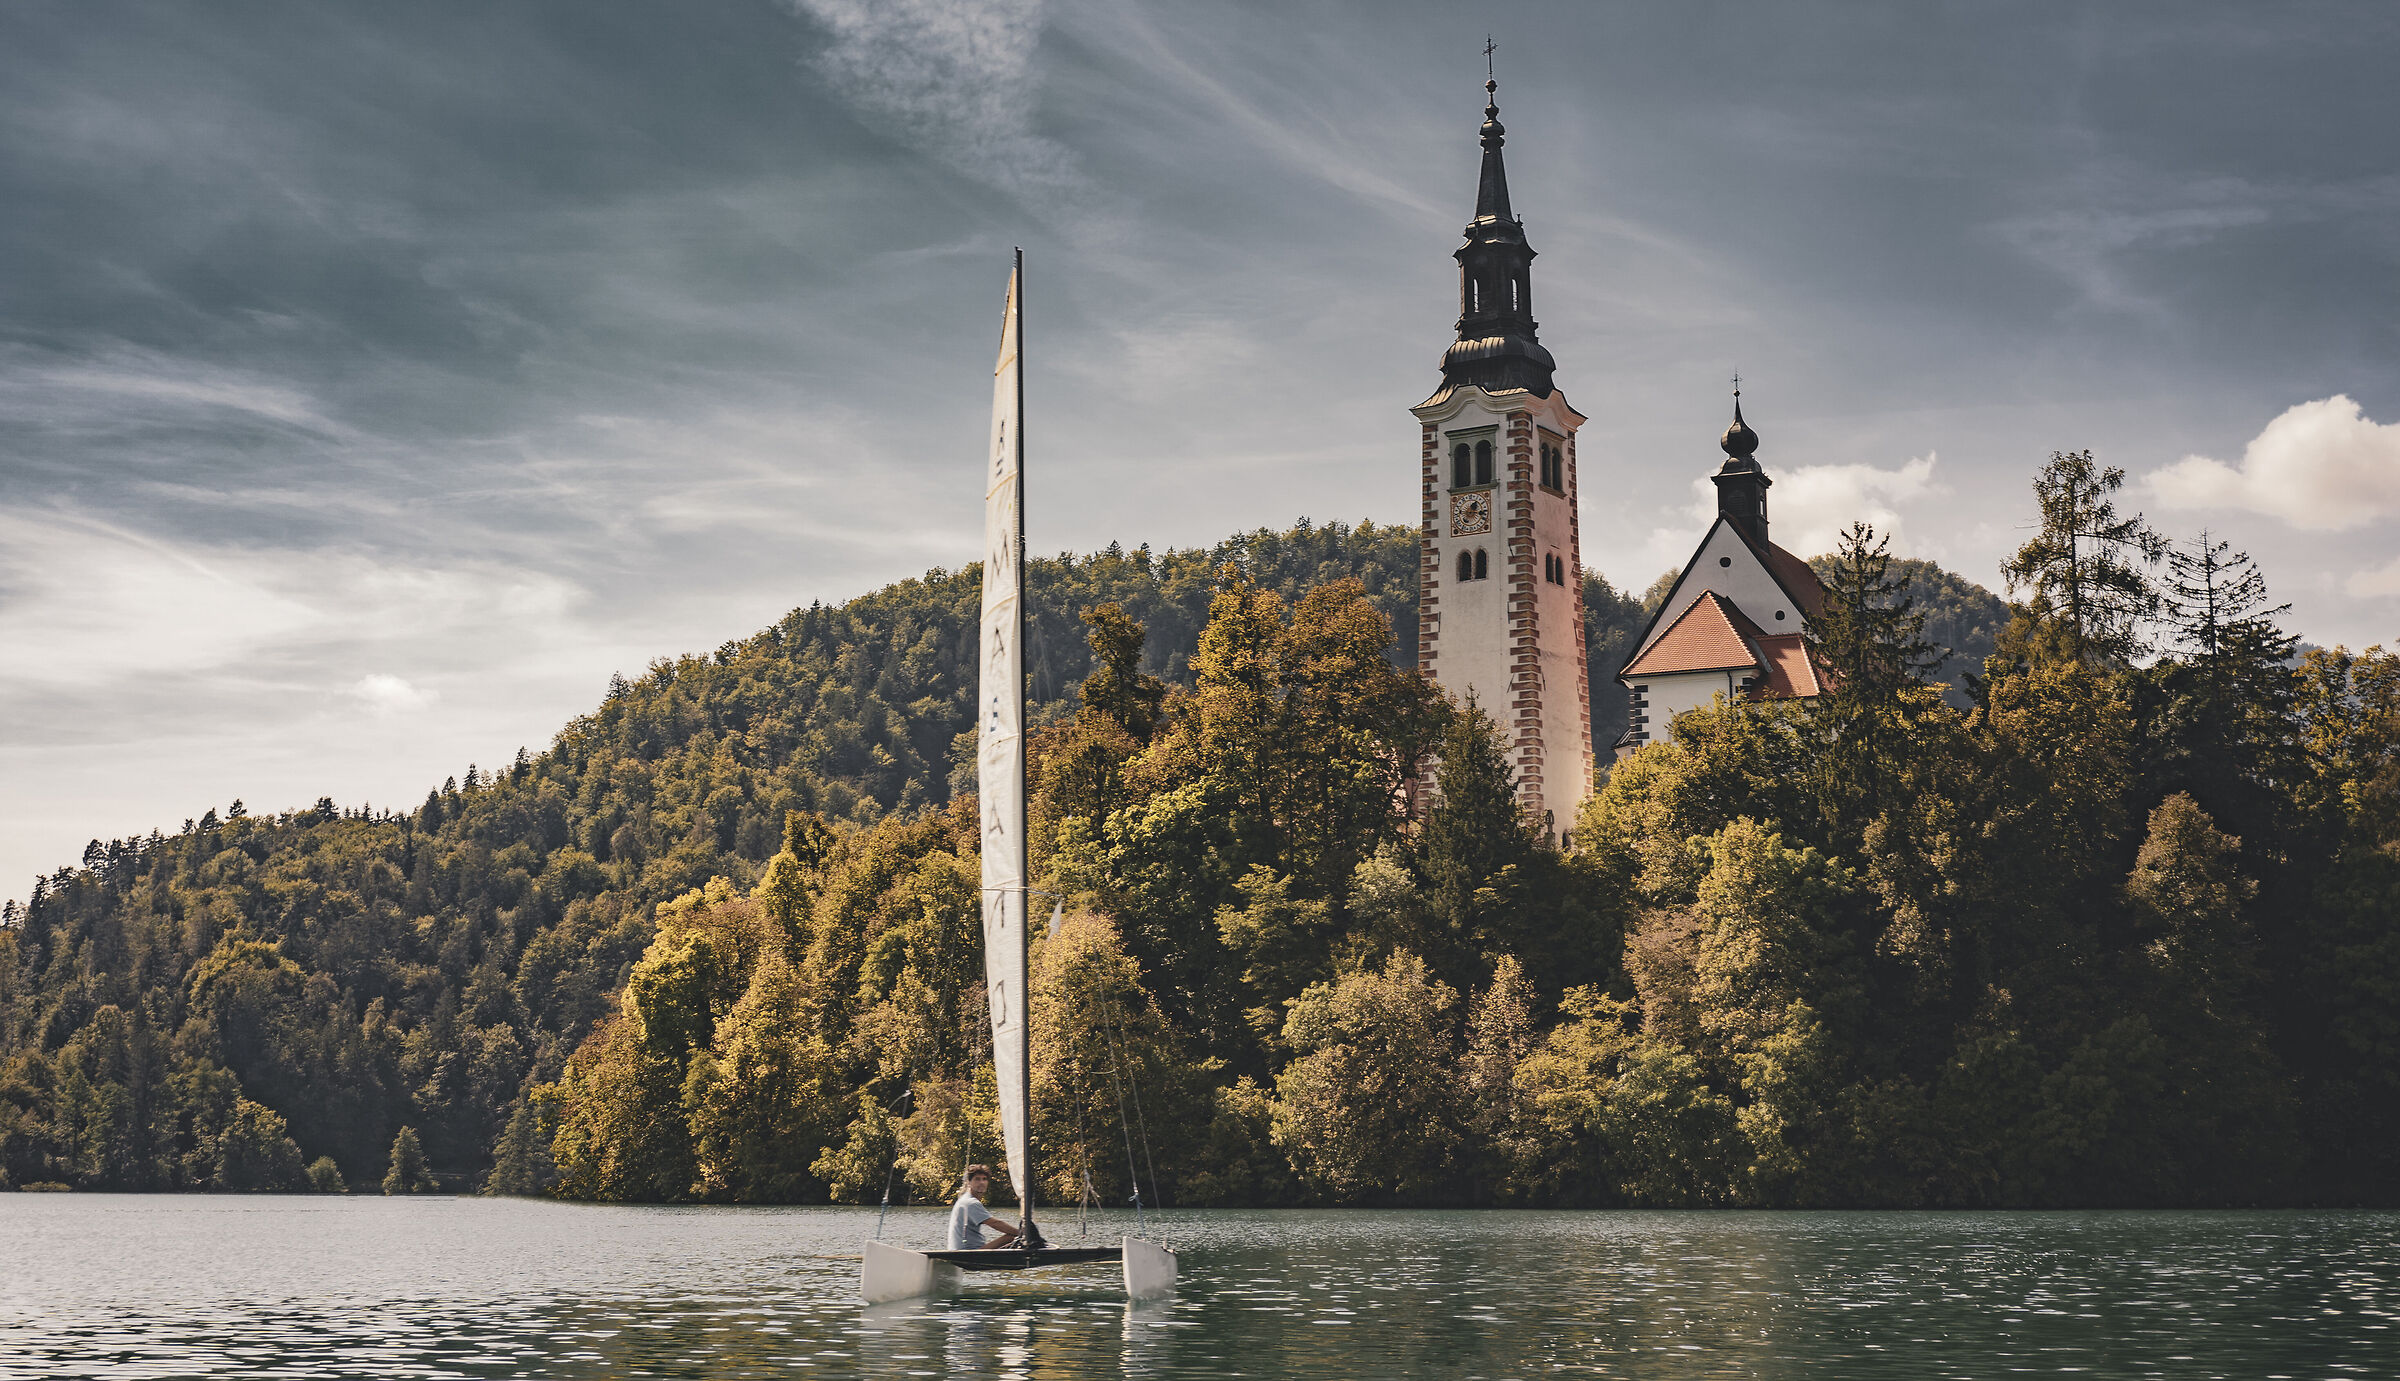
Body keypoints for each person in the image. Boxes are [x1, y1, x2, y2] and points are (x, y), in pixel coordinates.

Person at [947, 1164, 1022, 1251]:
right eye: (977, 1179)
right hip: (969, 1252)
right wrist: (1022, 1234)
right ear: (969, 1182)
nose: (981, 1182)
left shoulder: (964, 1199)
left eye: (984, 1179)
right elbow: (995, 1223)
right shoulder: (971, 1203)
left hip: (960, 1250)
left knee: (1014, 1237)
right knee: (1012, 1236)